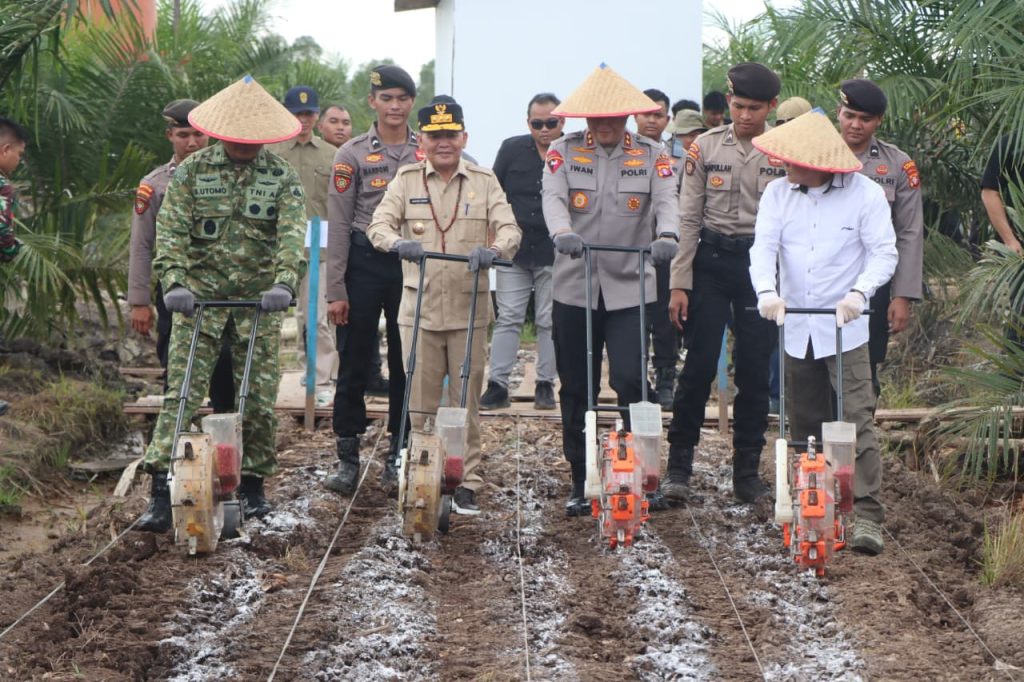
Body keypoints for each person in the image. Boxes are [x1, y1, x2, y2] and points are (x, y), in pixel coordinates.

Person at [135, 76, 307, 532]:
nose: (246, 146)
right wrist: (173, 282)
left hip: (258, 305)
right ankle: (159, 487)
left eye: (255, 140)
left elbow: (292, 236)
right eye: (238, 139)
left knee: (258, 399)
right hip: (200, 303)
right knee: (183, 394)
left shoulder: (280, 175)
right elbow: (169, 232)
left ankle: (252, 486)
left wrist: (285, 283)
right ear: (221, 132)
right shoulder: (192, 172)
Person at [749, 109, 897, 555]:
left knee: (855, 417)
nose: (784, 166)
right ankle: (812, 498)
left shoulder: (865, 195)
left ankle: (868, 515)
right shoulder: (778, 193)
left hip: (845, 325)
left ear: (820, 163)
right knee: (806, 420)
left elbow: (884, 253)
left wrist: (859, 293)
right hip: (794, 322)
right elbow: (763, 248)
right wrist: (767, 292)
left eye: (793, 161)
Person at [367, 99, 521, 514]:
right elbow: (377, 225)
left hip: (469, 311)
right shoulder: (406, 180)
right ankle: (423, 476)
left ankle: (466, 480)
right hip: (419, 312)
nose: (444, 143)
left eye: (451, 135)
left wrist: (495, 249)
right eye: (435, 136)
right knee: (420, 404)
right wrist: (398, 243)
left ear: (464, 138)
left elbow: (509, 228)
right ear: (422, 141)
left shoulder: (485, 180)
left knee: (466, 403)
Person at [541, 64, 679, 516]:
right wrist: (561, 231)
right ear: (585, 120)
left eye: (614, 120)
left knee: (632, 381)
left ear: (627, 119)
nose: (605, 128)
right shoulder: (561, 151)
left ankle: (644, 473)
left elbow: (665, 200)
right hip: (574, 286)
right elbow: (554, 197)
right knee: (577, 387)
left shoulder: (653, 153)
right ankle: (582, 478)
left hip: (630, 286)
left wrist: (668, 237)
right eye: (596, 120)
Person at [664, 62, 785, 506]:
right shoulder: (705, 148)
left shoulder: (782, 151)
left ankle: (747, 472)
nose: (745, 115)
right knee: (696, 367)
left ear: (771, 106)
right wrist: (680, 283)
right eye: (738, 106)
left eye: (755, 107)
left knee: (753, 370)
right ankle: (679, 467)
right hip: (711, 264)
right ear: (728, 103)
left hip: (760, 269)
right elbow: (688, 217)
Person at [324, 65, 420, 496]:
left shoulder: (426, 149)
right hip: (363, 264)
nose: (395, 106)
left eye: (402, 98)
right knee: (355, 362)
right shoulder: (352, 154)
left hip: (411, 267)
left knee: (406, 364)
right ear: (372, 102)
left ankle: (398, 453)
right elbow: (339, 225)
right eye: (387, 99)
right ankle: (348, 455)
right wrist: (336, 290)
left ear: (412, 102)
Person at [127, 100, 235, 412]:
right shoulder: (155, 185)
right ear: (170, 136)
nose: (192, 142)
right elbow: (143, 244)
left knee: (225, 372)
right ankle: (175, 446)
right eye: (183, 134)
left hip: (223, 290)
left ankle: (224, 447)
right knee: (177, 373)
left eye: (199, 135)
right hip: (176, 291)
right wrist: (138, 301)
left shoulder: (232, 177)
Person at [837, 79, 924, 397]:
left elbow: (910, 231)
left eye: (865, 118)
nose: (855, 125)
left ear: (878, 121)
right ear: (839, 112)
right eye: (849, 116)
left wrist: (902, 295)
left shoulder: (898, 164)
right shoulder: (817, 155)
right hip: (821, 274)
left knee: (867, 361)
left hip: (873, 279)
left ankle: (860, 436)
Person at [479, 93, 563, 411]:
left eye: (551, 123)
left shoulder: (571, 151)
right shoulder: (512, 148)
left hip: (555, 250)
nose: (544, 129)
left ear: (562, 122)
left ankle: (545, 385)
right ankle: (497, 385)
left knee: (548, 320)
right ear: (527, 122)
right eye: (537, 123)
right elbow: (493, 193)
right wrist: (493, 241)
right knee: (508, 318)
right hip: (513, 247)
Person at [269, 86, 339, 394]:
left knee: (315, 314)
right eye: (298, 113)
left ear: (317, 116)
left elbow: (339, 202)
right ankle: (280, 370)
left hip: (319, 247)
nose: (304, 119)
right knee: (276, 312)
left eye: (309, 113)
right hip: (277, 245)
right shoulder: (271, 152)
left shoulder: (332, 154)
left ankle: (319, 375)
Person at [766, 95, 811, 415]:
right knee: (773, 333)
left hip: (806, 263)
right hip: (771, 260)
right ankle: (775, 395)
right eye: (783, 125)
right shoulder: (766, 153)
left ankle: (791, 398)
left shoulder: (819, 158)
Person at [0, 116, 28, 418]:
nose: (18, 161)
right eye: (19, 154)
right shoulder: (2, 188)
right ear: (5, 149)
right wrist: (12, 251)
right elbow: (3, 235)